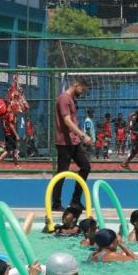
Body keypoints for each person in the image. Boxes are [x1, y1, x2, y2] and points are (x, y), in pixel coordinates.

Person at [52, 78, 93, 214]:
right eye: (82, 89)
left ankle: (75, 200)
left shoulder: (71, 99)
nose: (82, 92)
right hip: (64, 142)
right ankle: (56, 203)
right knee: (62, 173)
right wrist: (83, 135)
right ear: (76, 85)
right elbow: (67, 120)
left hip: (74, 142)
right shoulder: (64, 98)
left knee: (85, 166)